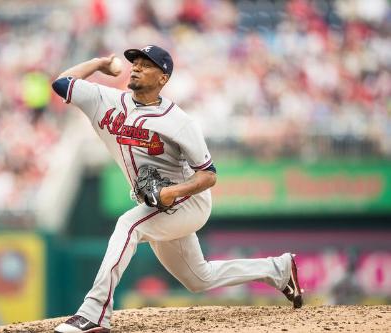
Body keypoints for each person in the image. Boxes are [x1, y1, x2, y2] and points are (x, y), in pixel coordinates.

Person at [51, 45, 303, 333]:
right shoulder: (104, 100)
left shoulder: (178, 122)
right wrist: (97, 63)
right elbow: (62, 84)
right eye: (135, 62)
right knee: (199, 278)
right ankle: (279, 269)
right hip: (157, 203)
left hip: (187, 203)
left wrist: (171, 193)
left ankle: (95, 313)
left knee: (128, 225)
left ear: (163, 78)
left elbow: (208, 176)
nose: (136, 67)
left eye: (147, 64)